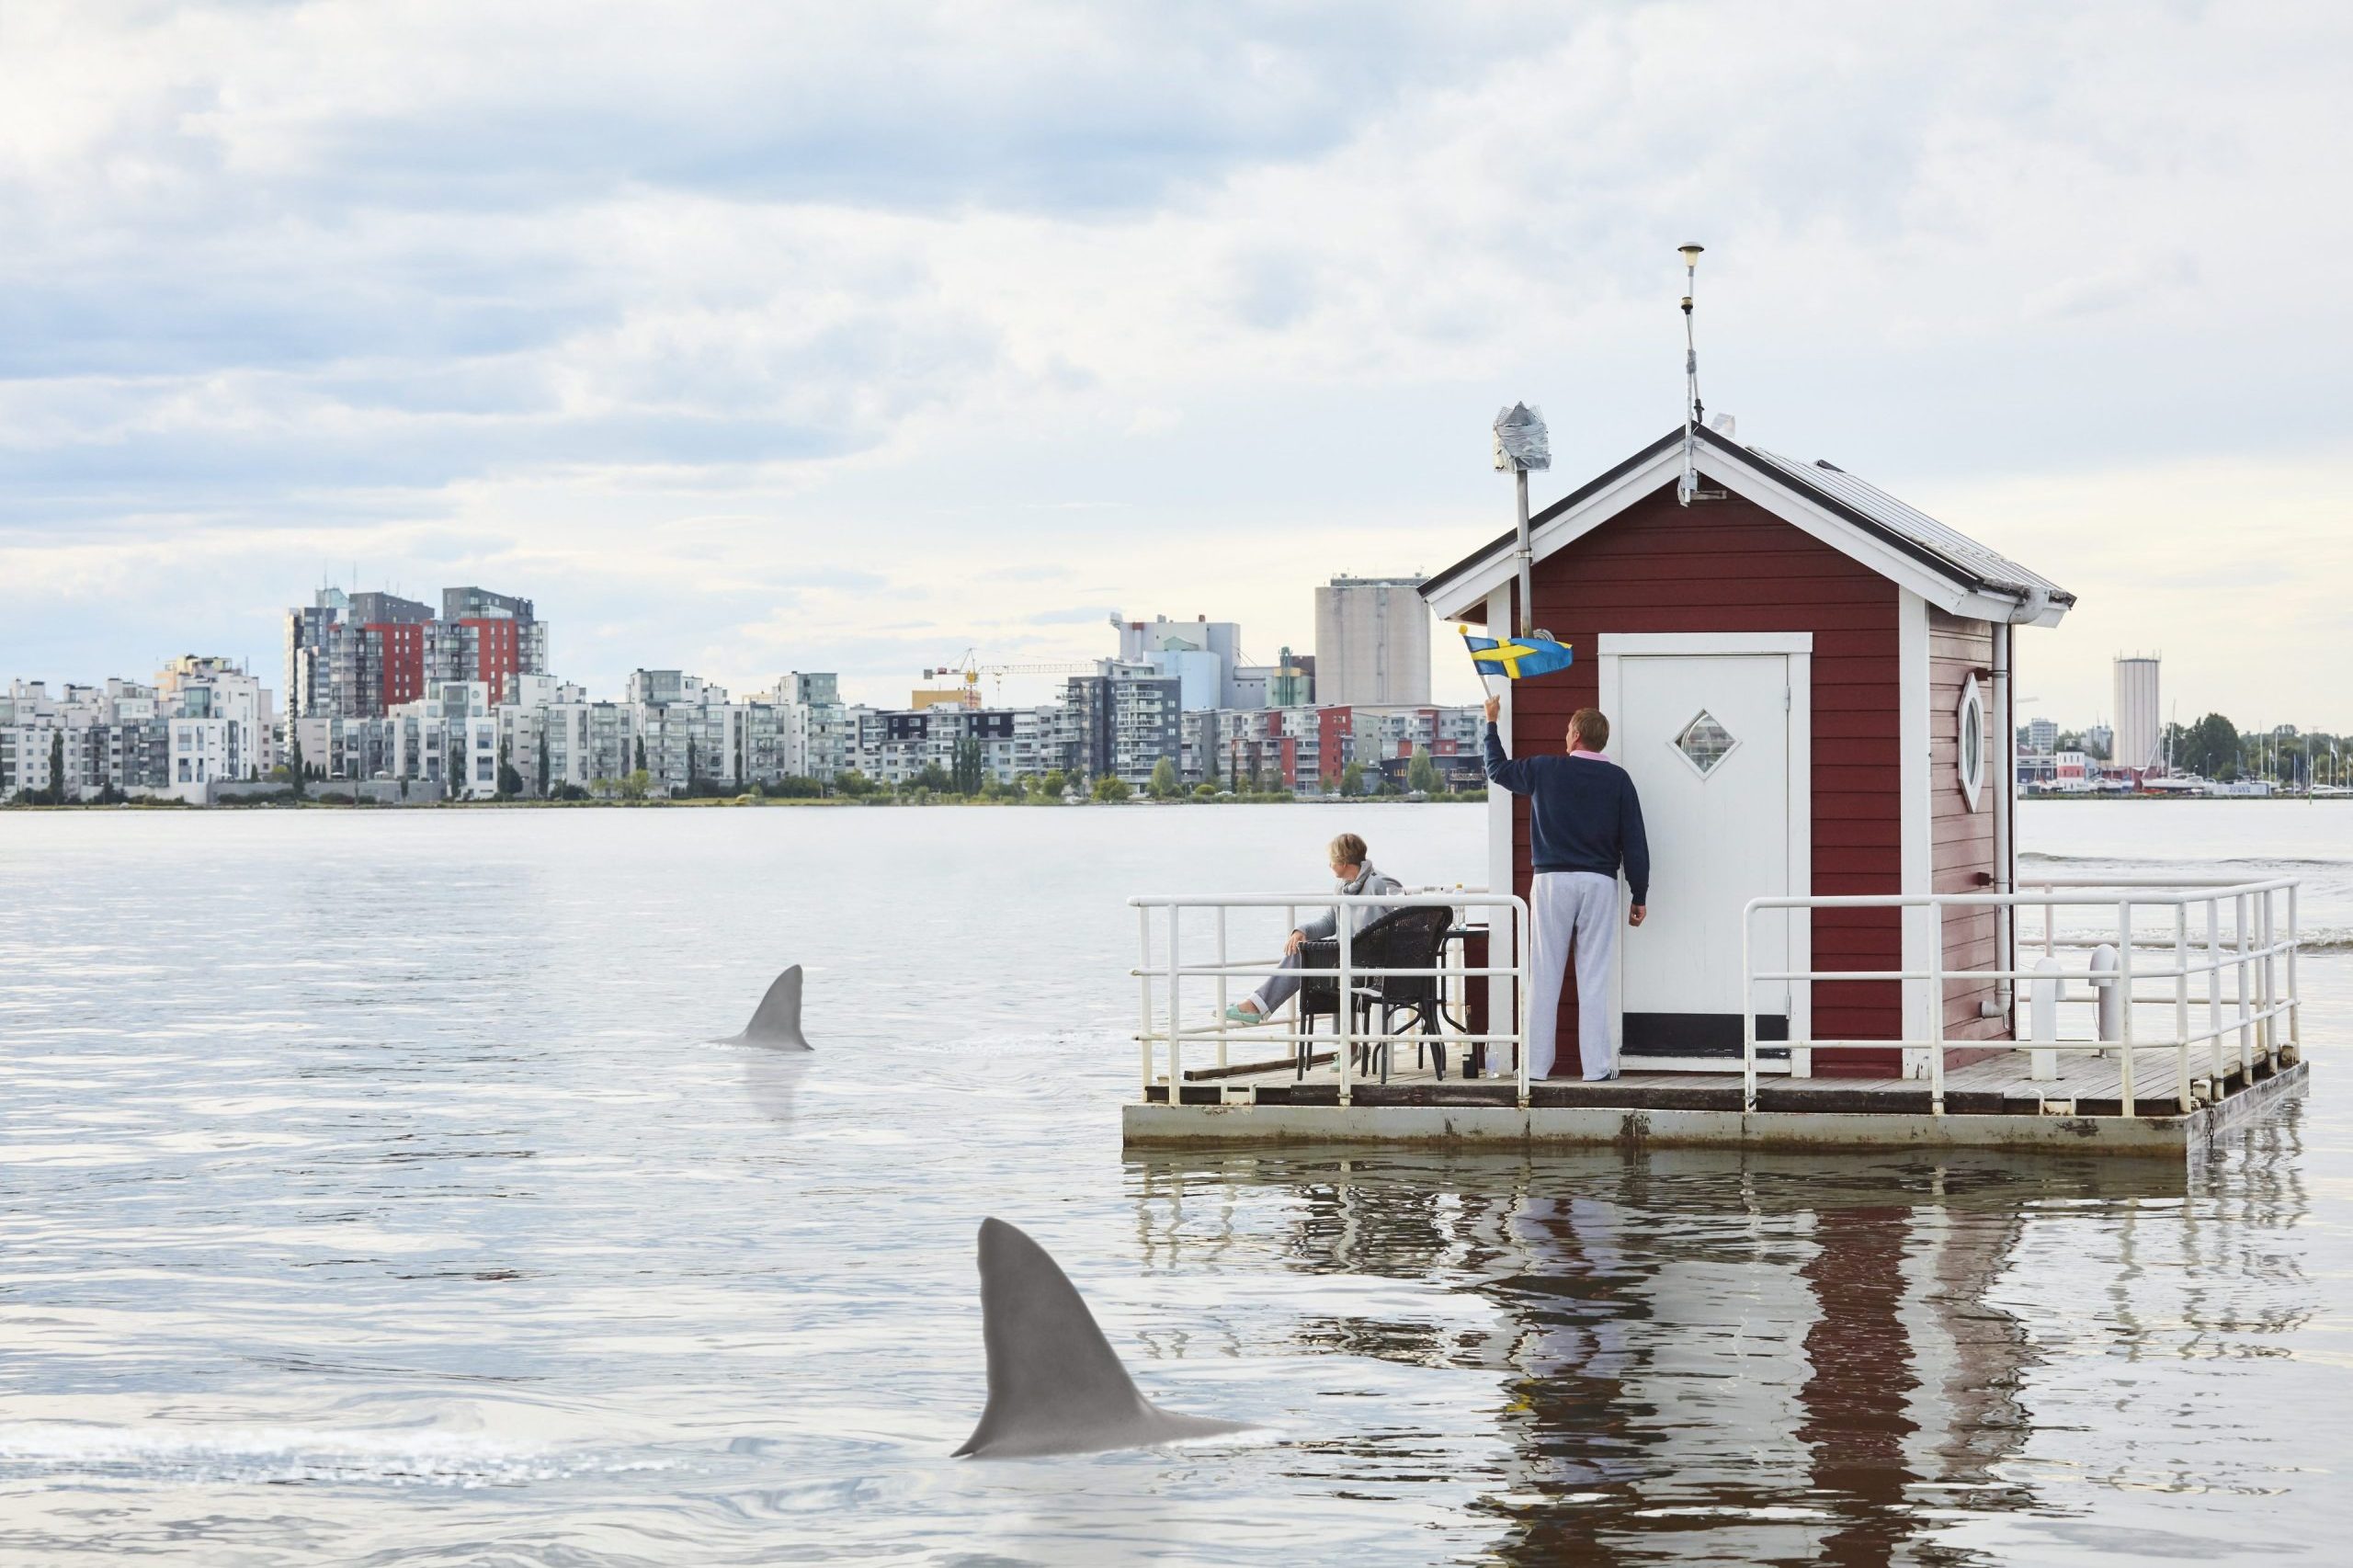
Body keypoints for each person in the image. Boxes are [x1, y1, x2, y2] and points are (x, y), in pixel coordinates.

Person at [1483, 695, 1650, 1080]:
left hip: (1552, 881)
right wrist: (1639, 894)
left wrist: (1491, 724)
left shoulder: (1544, 769)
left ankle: (1536, 1067)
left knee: (1544, 974)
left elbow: (1497, 770)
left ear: (1575, 734)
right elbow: (1635, 841)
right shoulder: (1619, 779)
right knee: (1593, 976)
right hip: (1599, 883)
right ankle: (1596, 1068)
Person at [1223, 833, 1402, 1023]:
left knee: (1329, 967)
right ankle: (1257, 1006)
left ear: (1343, 862)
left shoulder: (1381, 883)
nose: (1329, 865)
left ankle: (1256, 1006)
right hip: (1349, 960)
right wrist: (1302, 931)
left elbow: (1406, 917)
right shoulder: (1342, 887)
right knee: (1302, 952)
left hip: (1373, 965)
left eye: (1331, 860)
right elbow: (1330, 922)